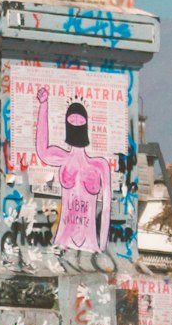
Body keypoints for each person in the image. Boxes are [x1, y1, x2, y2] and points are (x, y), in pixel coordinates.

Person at [34, 86, 113, 253]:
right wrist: (44, 105)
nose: (76, 123)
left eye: (80, 120)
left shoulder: (100, 165)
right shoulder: (63, 158)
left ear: (86, 123)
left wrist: (103, 247)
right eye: (72, 120)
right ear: (66, 124)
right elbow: (42, 150)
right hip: (63, 240)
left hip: (91, 243)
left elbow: (106, 208)